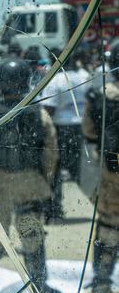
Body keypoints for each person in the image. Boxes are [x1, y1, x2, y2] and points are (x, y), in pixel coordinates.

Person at [0, 58, 63, 293]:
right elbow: (50, 153)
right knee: (31, 234)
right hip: (29, 183)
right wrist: (45, 181)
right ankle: (39, 287)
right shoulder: (39, 114)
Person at [83, 55, 119, 293]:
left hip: (112, 166)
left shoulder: (101, 94)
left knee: (108, 224)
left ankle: (102, 280)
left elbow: (88, 129)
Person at [41, 56, 89, 219]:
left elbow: (49, 109)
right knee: (81, 170)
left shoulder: (55, 80)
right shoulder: (84, 77)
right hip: (81, 126)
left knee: (53, 169)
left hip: (60, 128)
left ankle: (54, 208)